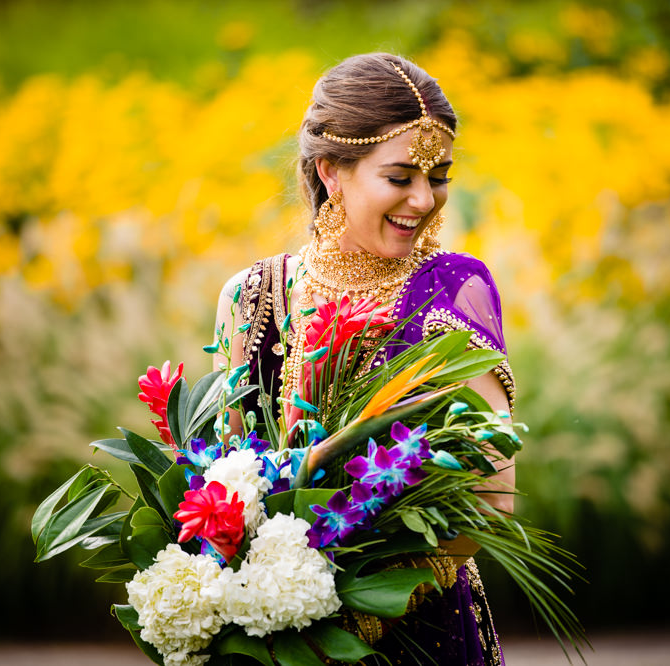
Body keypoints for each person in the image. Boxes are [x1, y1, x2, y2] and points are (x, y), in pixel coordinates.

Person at [214, 53, 515, 666]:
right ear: (332, 171)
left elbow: (492, 496)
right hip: (272, 638)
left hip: (417, 632)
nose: (425, 200)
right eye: (401, 177)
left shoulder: (455, 289)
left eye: (440, 176)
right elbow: (224, 481)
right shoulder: (252, 297)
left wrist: (359, 614)